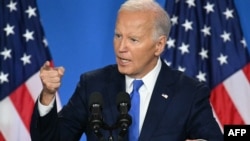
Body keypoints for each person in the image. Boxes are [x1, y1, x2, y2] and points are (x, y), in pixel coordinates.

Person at [30, 0, 224, 141]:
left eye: (133, 40)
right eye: (117, 35)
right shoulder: (93, 85)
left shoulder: (188, 93)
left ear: (159, 45)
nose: (121, 47)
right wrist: (48, 95)